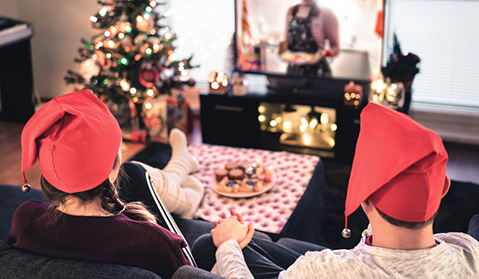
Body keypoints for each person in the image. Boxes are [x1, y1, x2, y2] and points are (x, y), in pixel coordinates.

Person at [192, 102, 479, 278]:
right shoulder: (469, 252)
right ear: (442, 189)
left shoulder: (323, 269)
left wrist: (228, 244)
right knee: (272, 244)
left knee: (209, 244)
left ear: (364, 198)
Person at [7, 89, 204, 279]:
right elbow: (192, 273)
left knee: (137, 174)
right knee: (136, 172)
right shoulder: (154, 240)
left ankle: (181, 164)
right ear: (111, 169)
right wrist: (226, 244)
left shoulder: (24, 219)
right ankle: (185, 182)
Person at [279, 0, 340, 77]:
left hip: (318, 73)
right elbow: (286, 42)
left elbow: (336, 49)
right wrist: (282, 49)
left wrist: (321, 54)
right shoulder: (291, 11)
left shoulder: (326, 14)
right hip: (294, 72)